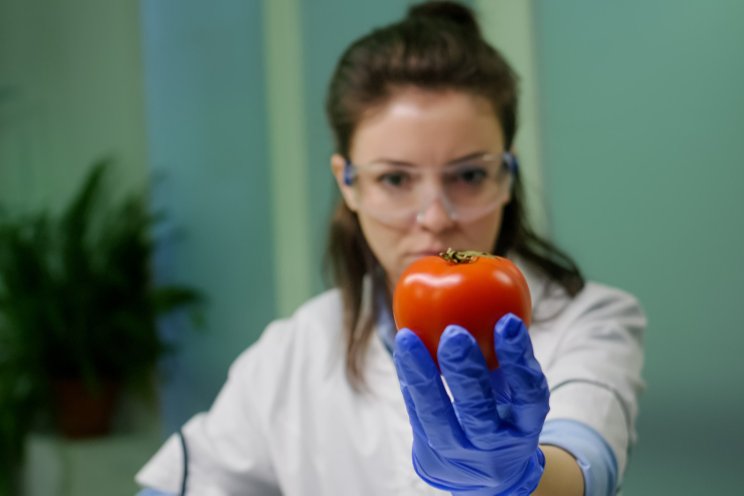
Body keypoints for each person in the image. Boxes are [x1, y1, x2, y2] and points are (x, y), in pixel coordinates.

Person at [136, 2, 645, 495]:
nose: (436, 217)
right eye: (396, 178)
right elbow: (194, 478)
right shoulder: (295, 350)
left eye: (469, 175)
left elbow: (586, 462)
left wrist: (521, 482)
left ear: (506, 176)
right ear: (349, 184)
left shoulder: (589, 319)